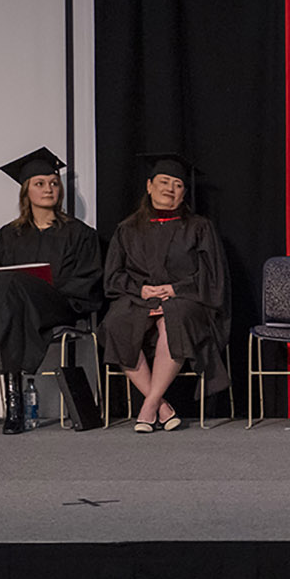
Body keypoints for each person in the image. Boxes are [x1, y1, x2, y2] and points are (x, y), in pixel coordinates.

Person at [0, 147, 105, 435]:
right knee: (10, 304)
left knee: (12, 290)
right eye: (40, 184)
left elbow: (87, 280)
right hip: (18, 311)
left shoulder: (80, 233)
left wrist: (37, 287)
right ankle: (14, 411)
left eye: (53, 183)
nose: (49, 189)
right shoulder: (8, 234)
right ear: (26, 191)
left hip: (60, 306)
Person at [98, 155, 228, 431]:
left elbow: (213, 277)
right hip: (138, 298)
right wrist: (142, 290)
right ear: (149, 186)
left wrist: (175, 289)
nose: (170, 188)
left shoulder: (198, 227)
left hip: (188, 299)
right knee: (115, 322)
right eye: (164, 182)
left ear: (184, 192)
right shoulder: (128, 229)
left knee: (175, 316)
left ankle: (148, 405)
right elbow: (113, 276)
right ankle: (163, 407)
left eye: (178, 184)